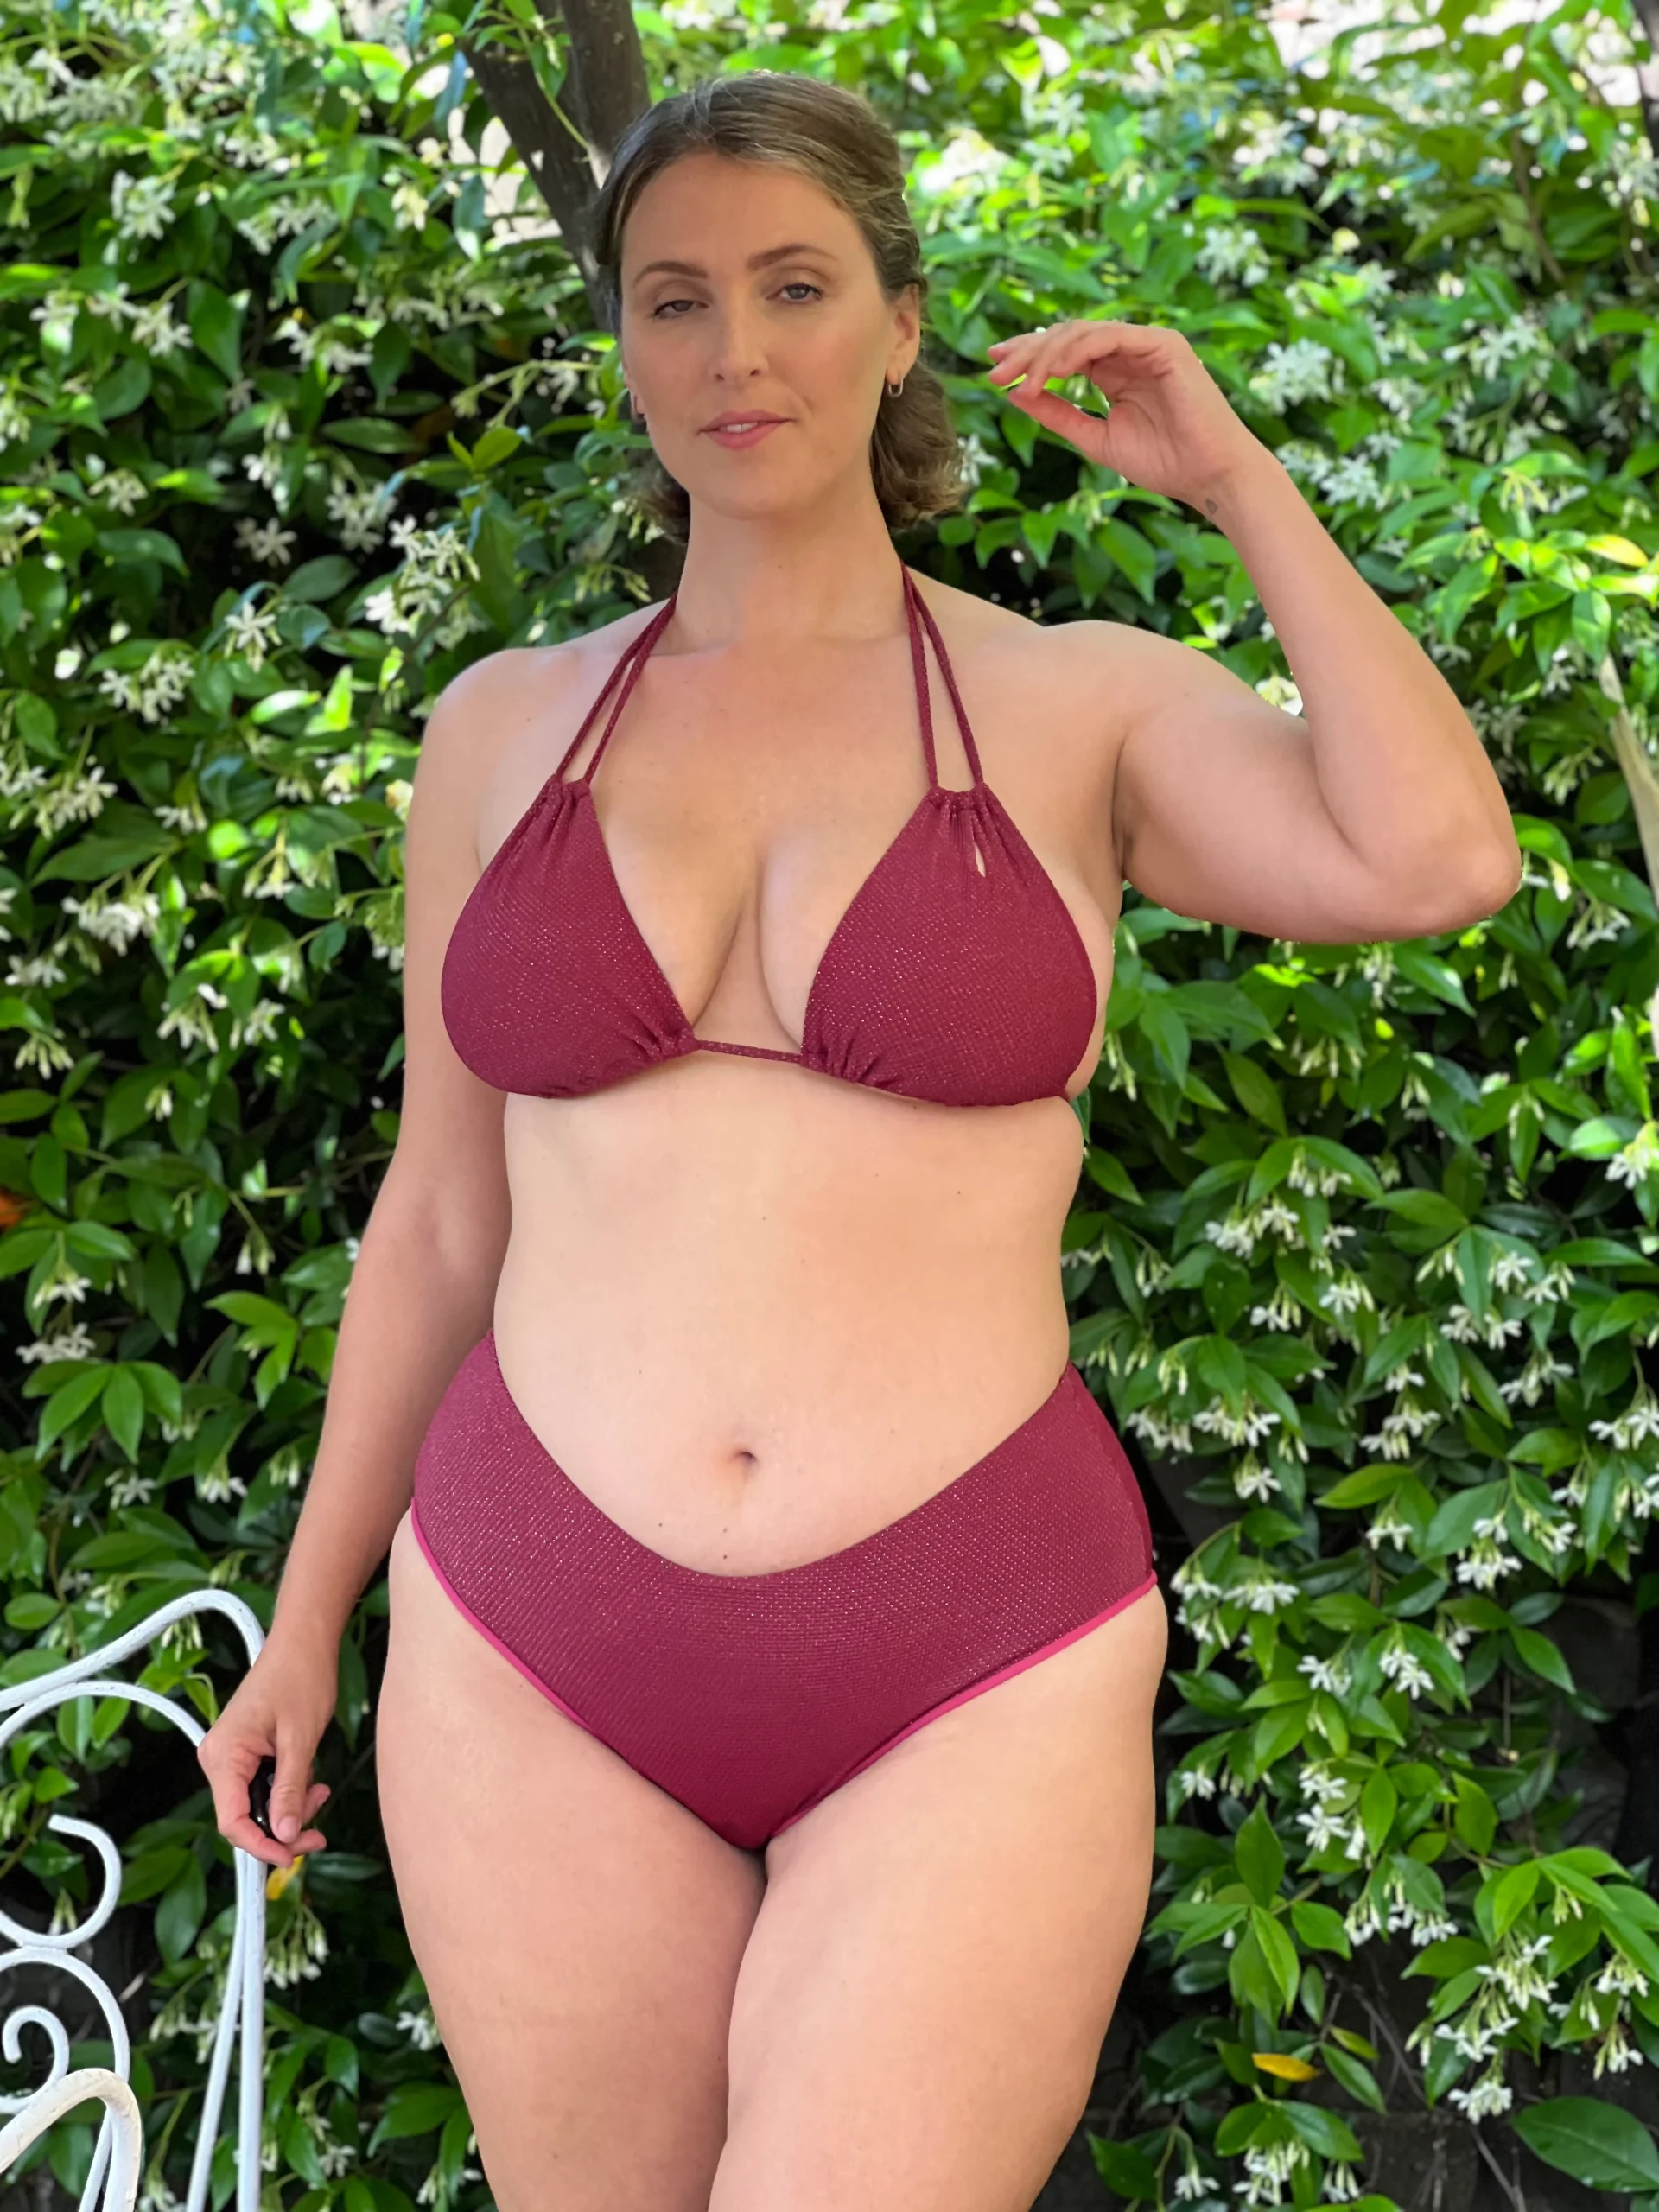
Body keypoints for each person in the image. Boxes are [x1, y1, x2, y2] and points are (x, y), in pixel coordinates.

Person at [199, 69, 1522, 2212]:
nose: (735, 349)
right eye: (674, 299)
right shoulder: (500, 728)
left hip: (971, 1642)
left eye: (795, 287)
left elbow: (1438, 855)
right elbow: (439, 1215)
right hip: (532, 1630)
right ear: (624, 343)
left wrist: (1236, 481)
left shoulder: (1078, 702)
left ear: (901, 321)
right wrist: (302, 1614)